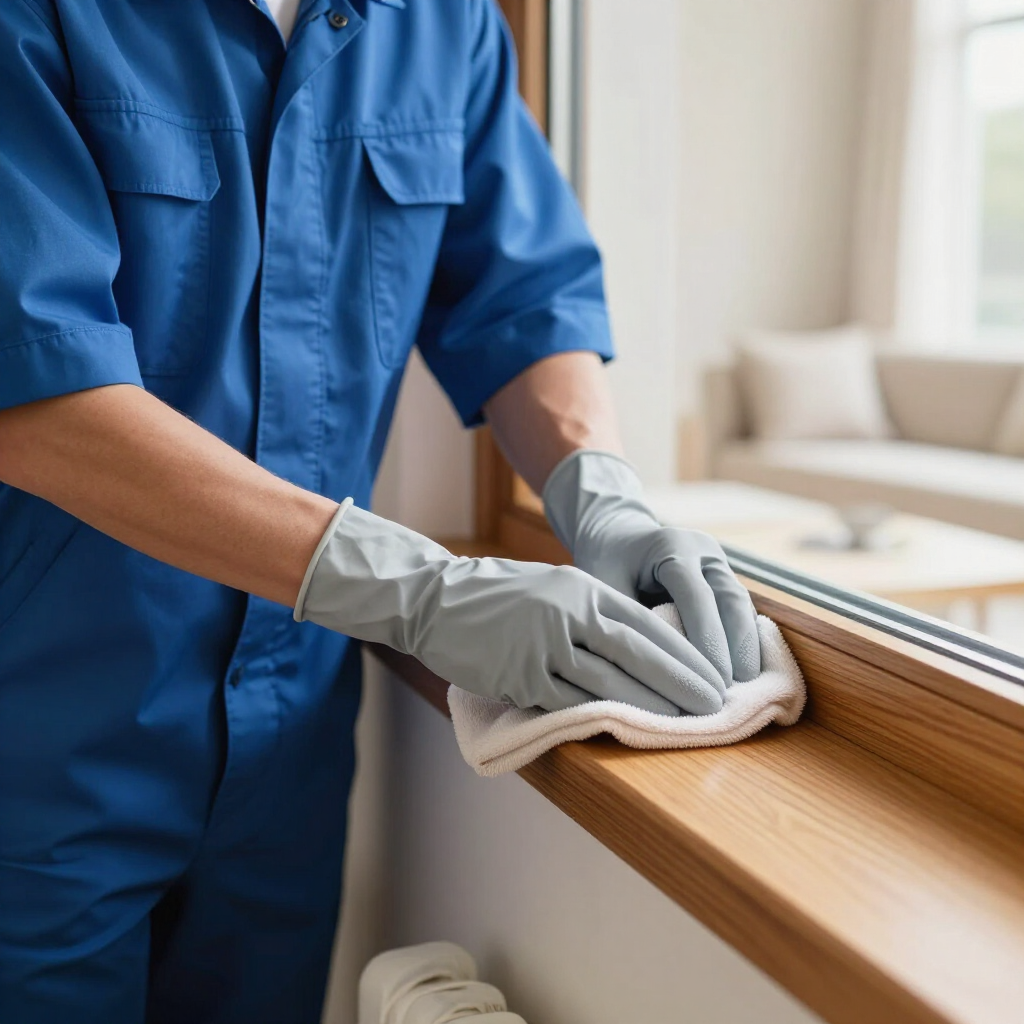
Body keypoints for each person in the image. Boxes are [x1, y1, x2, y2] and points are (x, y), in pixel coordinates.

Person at [0, 1, 759, 1021]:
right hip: (36, 751)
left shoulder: (445, 26)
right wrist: (422, 593)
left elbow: (523, 296)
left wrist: (601, 493)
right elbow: (36, 395)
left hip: (285, 759)